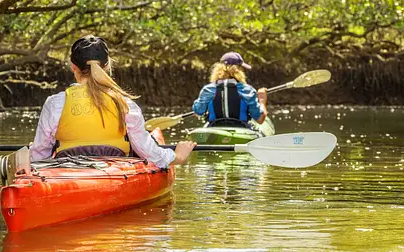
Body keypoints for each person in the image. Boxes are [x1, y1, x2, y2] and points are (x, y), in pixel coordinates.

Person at [30, 35, 196, 168]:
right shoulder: (124, 104)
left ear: (73, 67)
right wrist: (177, 157)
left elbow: (39, 155)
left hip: (67, 168)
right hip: (115, 169)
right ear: (107, 66)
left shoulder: (55, 103)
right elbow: (146, 151)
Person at [192, 52, 271, 132]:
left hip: (214, 128)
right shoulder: (248, 91)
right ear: (239, 70)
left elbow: (198, 112)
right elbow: (260, 119)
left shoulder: (208, 90)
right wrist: (262, 100)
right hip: (242, 130)